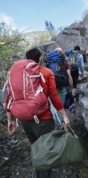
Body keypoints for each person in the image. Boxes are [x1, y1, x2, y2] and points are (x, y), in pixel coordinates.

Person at [6, 47, 70, 178]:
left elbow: (9, 97)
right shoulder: (46, 72)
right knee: (46, 150)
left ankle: (38, 169)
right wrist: (64, 115)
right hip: (43, 119)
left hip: (24, 120)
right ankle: (43, 173)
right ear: (40, 58)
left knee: (36, 146)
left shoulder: (18, 73)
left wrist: (10, 120)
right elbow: (54, 96)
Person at [50, 47, 73, 124]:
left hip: (51, 86)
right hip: (62, 86)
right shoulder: (65, 63)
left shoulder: (49, 63)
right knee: (60, 104)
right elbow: (69, 76)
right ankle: (60, 123)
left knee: (53, 104)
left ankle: (53, 120)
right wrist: (72, 87)